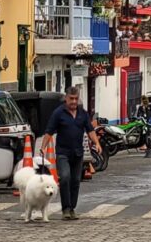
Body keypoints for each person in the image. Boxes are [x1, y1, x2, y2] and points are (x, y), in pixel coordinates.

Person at [41, 87, 101, 220]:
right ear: (66, 98)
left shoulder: (83, 114)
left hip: (78, 153)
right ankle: (65, 209)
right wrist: (43, 147)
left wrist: (97, 143)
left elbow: (90, 130)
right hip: (63, 152)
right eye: (71, 99)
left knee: (75, 181)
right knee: (65, 177)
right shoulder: (58, 113)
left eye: (75, 99)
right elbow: (49, 131)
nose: (73, 101)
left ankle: (72, 208)